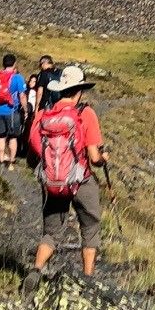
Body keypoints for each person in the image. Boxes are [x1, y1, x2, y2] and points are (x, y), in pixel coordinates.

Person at [30, 66, 108, 278]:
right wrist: (103, 159)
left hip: (53, 181)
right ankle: (88, 278)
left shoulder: (44, 114)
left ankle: (36, 270)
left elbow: (36, 145)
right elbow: (94, 157)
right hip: (81, 179)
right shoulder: (85, 113)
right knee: (90, 226)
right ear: (79, 90)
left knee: (51, 232)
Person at [0, 53, 28, 168]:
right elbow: (22, 96)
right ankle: (11, 161)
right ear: (14, 63)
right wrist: (25, 110)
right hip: (12, 111)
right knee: (13, 137)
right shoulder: (17, 78)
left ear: (3, 63)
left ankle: (1, 160)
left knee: (1, 136)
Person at [28, 54, 58, 124]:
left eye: (41, 64)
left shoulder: (44, 74)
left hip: (45, 104)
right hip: (57, 104)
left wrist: (36, 107)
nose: (40, 67)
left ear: (44, 63)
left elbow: (40, 92)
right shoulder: (59, 72)